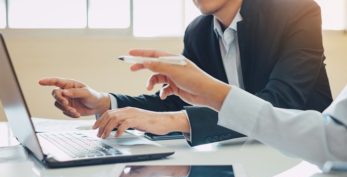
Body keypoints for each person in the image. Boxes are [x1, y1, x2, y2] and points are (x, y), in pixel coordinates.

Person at [39, 0, 332, 146]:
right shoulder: (199, 32)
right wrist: (104, 102)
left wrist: (175, 121)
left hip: (304, 155)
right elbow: (178, 103)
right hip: (241, 151)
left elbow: (282, 102)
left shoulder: (298, 11)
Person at [128, 49, 347, 167]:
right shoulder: (199, 30)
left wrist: (212, 96)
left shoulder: (291, 10)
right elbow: (171, 98)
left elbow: (333, 138)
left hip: (293, 163)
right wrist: (105, 101)